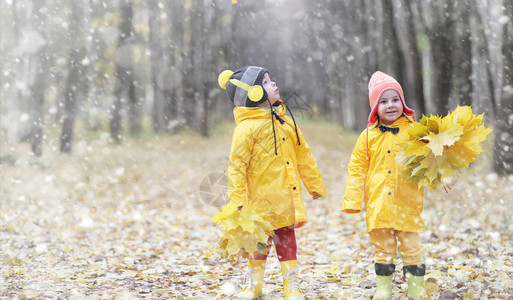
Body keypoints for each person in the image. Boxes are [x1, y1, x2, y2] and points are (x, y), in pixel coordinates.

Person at [218, 66, 327, 299]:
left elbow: (303, 154)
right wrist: (236, 200)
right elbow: (237, 166)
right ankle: (254, 286)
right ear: (254, 93)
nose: (274, 83)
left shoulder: (285, 121)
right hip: (258, 202)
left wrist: (314, 184)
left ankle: (292, 286)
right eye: (266, 82)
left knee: (287, 243)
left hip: (285, 198)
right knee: (258, 244)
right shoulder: (245, 129)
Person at [341, 71, 425, 300]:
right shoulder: (367, 136)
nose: (390, 105)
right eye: (383, 101)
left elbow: (429, 159)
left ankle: (416, 288)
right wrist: (352, 199)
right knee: (383, 248)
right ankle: (383, 287)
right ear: (374, 107)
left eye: (395, 99)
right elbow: (357, 168)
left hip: (408, 202)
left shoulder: (415, 132)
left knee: (411, 247)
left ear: (403, 102)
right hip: (379, 204)